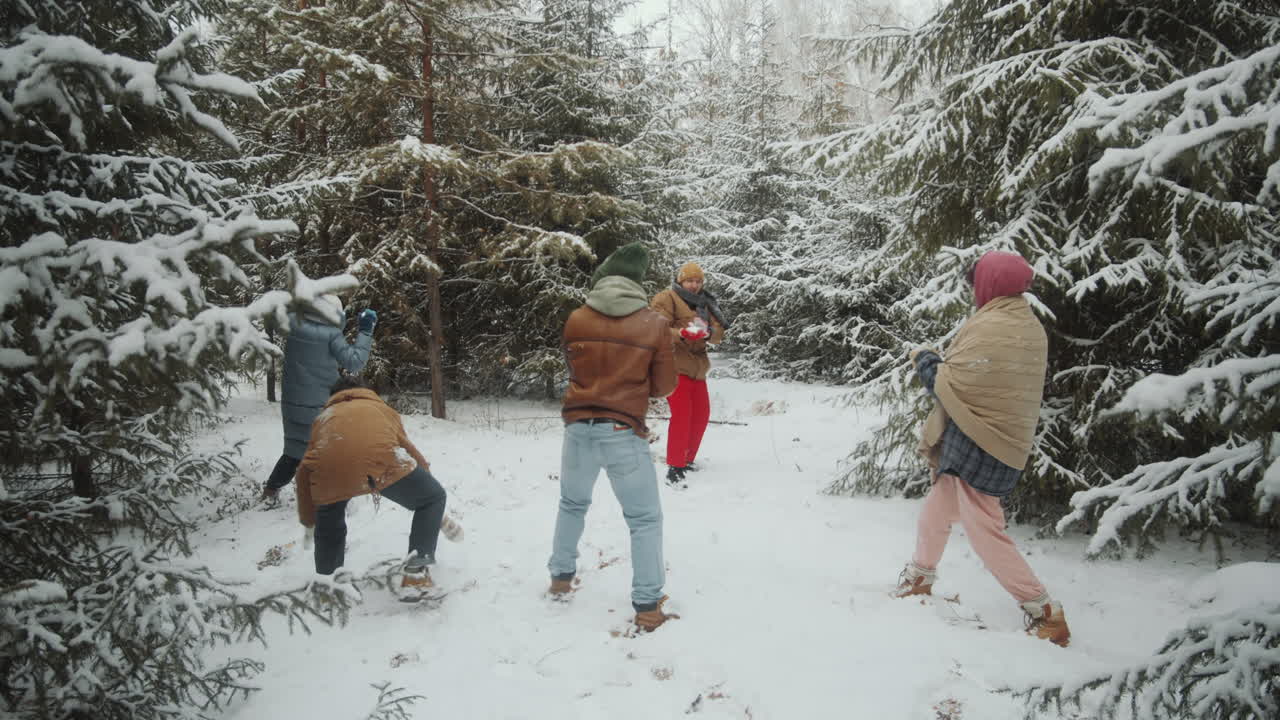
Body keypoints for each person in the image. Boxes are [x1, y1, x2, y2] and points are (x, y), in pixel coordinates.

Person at [894, 250, 1070, 647]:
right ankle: (920, 578)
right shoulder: (1023, 322)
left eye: (977, 282)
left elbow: (953, 383)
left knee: (984, 530)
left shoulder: (995, 325)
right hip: (982, 438)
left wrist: (924, 359)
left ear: (990, 283)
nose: (974, 290)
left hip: (987, 443)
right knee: (936, 512)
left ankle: (1044, 611)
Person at [548, 242, 678, 631]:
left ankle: (559, 579)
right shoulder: (653, 324)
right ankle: (648, 606)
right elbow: (664, 386)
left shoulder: (576, 319)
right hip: (622, 429)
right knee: (644, 519)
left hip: (577, 427)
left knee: (571, 503)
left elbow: (575, 366)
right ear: (638, 282)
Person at [295, 375, 450, 599]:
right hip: (382, 466)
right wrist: (426, 489)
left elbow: (304, 470)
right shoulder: (382, 409)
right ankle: (416, 576)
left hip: (330, 472)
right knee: (432, 497)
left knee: (330, 520)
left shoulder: (323, 418)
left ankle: (327, 585)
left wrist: (309, 520)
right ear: (364, 390)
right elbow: (409, 450)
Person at [261, 295, 376, 504]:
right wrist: (366, 330)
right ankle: (331, 497)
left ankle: (270, 492)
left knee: (294, 451)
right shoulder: (331, 334)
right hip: (319, 406)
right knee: (330, 451)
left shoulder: (294, 326)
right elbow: (354, 362)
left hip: (292, 403)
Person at [649, 262, 729, 488]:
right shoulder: (668, 298)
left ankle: (687, 459)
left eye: (698, 281)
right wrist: (683, 333)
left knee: (701, 414)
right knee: (682, 415)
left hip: (697, 368)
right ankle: (675, 466)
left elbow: (719, 333)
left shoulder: (706, 302)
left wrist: (708, 333)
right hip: (673, 365)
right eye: (689, 281)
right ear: (680, 281)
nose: (694, 285)